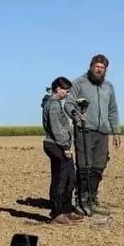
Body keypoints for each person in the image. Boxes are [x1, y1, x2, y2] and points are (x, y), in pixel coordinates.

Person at [68, 54, 121, 216]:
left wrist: (116, 131)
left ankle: (92, 199)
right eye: (97, 66)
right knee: (84, 167)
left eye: (102, 68)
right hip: (85, 130)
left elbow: (112, 109)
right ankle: (81, 200)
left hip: (102, 132)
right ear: (91, 66)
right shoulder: (79, 83)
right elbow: (69, 102)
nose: (99, 69)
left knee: (99, 167)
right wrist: (75, 115)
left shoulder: (108, 87)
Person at [41, 77, 84, 224]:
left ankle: (66, 209)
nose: (67, 93)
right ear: (58, 89)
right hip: (56, 145)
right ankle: (57, 213)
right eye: (66, 90)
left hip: (60, 145)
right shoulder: (53, 105)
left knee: (70, 178)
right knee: (60, 180)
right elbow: (56, 128)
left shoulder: (56, 104)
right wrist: (65, 147)